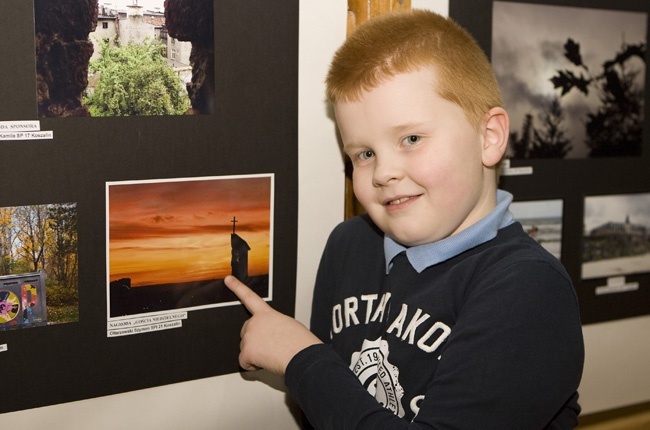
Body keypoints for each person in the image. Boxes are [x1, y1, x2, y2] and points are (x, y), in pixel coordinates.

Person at [225, 9, 584, 429]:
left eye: (411, 139)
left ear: (488, 138)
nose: (382, 173)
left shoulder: (528, 288)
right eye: (363, 154)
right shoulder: (349, 244)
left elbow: (318, 379)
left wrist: (300, 359)